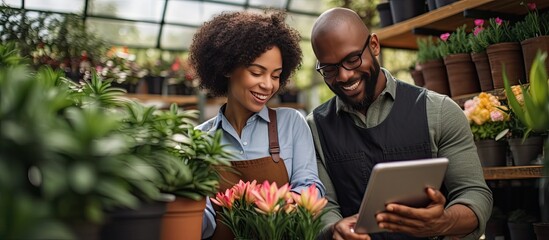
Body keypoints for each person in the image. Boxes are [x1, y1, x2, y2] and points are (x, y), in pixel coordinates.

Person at [306, 7, 493, 240]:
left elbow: (474, 193)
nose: (344, 76)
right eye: (330, 69)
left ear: (374, 45)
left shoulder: (439, 111)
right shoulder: (314, 128)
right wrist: (334, 228)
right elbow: (325, 206)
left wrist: (443, 222)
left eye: (352, 59)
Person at [189, 10, 326, 239]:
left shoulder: (291, 123)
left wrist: (282, 203)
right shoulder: (199, 139)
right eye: (257, 72)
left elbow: (310, 184)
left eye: (276, 75)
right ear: (226, 68)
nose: (267, 85)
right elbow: (202, 221)